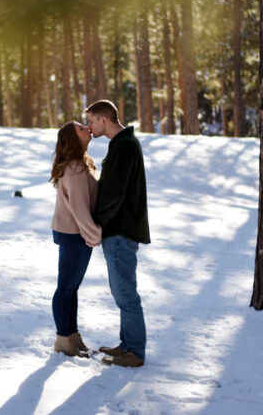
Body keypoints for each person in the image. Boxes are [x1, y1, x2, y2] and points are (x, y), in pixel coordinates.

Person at [85, 99, 151, 368]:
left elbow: (114, 193)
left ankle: (134, 351)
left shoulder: (124, 146)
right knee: (121, 291)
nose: (89, 127)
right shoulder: (122, 144)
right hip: (120, 229)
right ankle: (127, 345)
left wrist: (96, 225)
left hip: (121, 230)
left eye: (91, 121)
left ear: (104, 119)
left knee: (126, 293)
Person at [50, 121, 102, 357]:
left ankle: (71, 335)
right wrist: (94, 235)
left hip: (73, 232)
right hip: (74, 233)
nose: (87, 129)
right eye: (82, 128)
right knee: (66, 288)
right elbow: (80, 208)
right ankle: (63, 339)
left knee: (72, 287)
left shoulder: (81, 164)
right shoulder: (75, 169)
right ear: (73, 138)